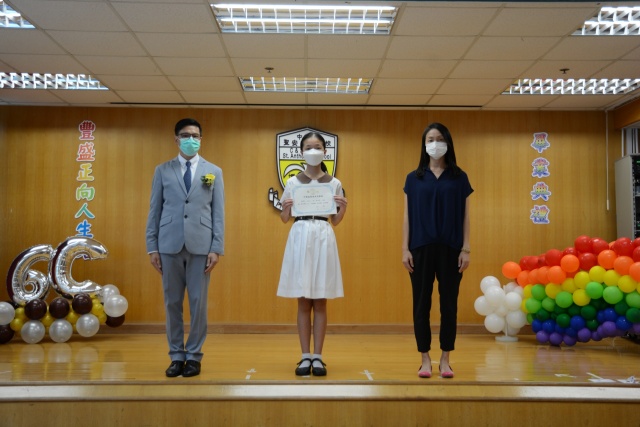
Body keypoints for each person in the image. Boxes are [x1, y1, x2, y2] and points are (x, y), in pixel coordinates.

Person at [146, 118, 225, 378]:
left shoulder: (214, 171)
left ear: (201, 139)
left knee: (198, 303)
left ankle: (193, 356)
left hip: (201, 245)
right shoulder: (162, 170)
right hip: (168, 244)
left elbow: (218, 213)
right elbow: (155, 210)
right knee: (172, 302)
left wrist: (216, 247)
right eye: (185, 135)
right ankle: (176, 355)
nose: (191, 139)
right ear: (176, 139)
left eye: (195, 135)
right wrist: (152, 247)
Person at [402, 122, 473, 379]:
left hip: (452, 248)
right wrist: (404, 248)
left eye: (440, 138)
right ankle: (424, 358)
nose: (435, 144)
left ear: (448, 143)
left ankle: (445, 359)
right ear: (424, 145)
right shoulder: (414, 178)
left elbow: (465, 216)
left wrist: (466, 248)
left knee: (449, 305)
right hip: (419, 248)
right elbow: (407, 216)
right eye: (430, 139)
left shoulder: (459, 177)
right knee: (421, 304)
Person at [277, 132, 348, 377]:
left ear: (325, 151)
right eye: (308, 147)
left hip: (323, 235)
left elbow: (335, 220)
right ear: (301, 152)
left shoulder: (334, 182)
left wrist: (343, 208)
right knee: (303, 299)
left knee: (320, 300)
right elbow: (285, 218)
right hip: (300, 235)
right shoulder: (293, 182)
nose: (313, 151)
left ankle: (318, 356)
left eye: (317, 146)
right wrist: (285, 208)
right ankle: (304, 355)